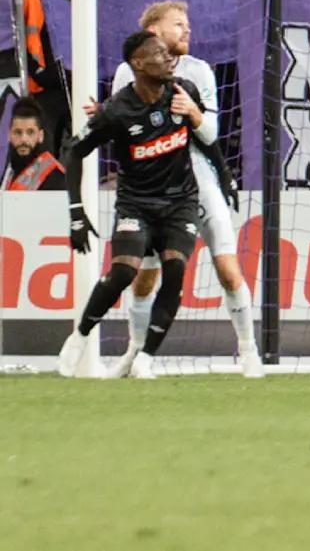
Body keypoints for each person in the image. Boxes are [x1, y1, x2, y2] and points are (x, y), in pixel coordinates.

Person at [97, 1, 261, 379]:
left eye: (187, 24)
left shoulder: (199, 71)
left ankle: (249, 352)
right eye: (178, 24)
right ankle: (136, 355)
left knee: (227, 267)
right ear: (154, 32)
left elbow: (211, 134)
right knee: (145, 276)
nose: (187, 30)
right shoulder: (127, 72)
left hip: (198, 181)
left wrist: (194, 113)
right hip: (153, 187)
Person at [56, 33, 226, 379]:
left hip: (181, 200)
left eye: (168, 52)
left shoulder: (184, 92)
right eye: (159, 53)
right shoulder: (117, 110)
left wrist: (225, 175)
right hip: (136, 203)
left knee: (175, 270)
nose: (168, 58)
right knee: (123, 272)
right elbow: (73, 151)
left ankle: (146, 357)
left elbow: (204, 138)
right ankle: (80, 336)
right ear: (137, 63)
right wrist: (76, 212)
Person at [4, 97, 64, 190]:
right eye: (18, 132)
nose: (24, 139)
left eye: (30, 132)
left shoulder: (53, 173)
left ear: (41, 136)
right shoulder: (8, 174)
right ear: (9, 135)